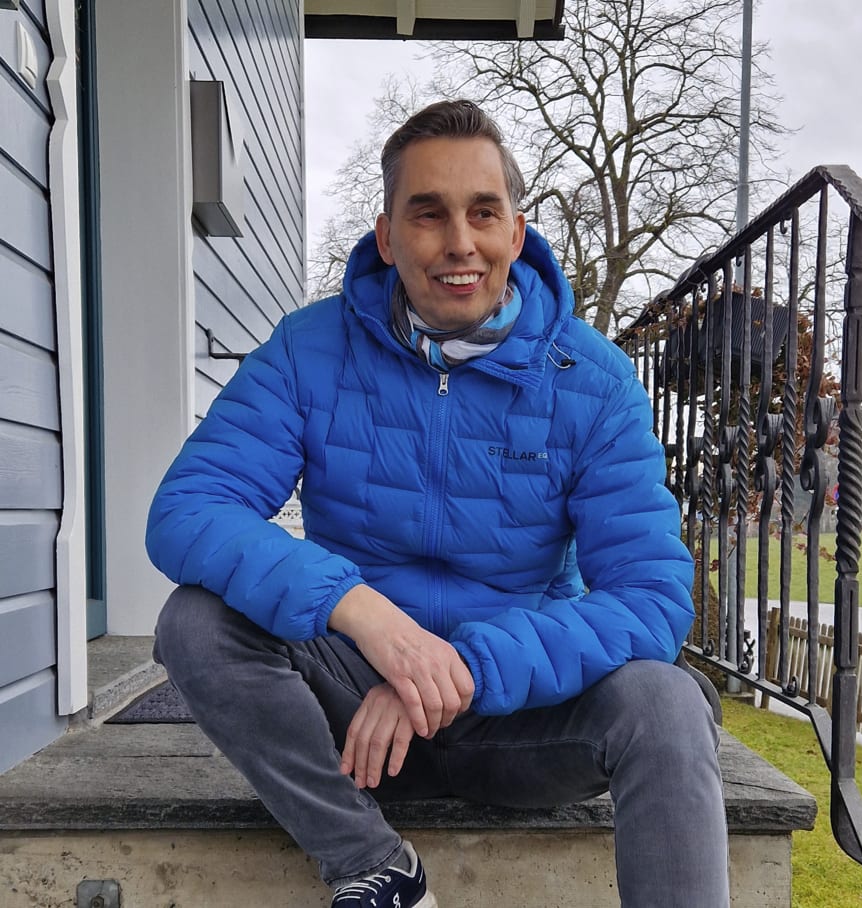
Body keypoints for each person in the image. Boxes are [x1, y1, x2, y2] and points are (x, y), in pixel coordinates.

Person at [147, 99, 729, 908]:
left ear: (515, 233)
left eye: (482, 213)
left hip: (526, 715)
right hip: (353, 723)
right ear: (387, 237)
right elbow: (190, 508)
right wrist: (365, 617)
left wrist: (461, 665)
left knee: (665, 699)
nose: (460, 243)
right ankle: (371, 864)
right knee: (194, 622)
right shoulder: (308, 350)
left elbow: (651, 597)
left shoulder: (592, 381)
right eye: (428, 214)